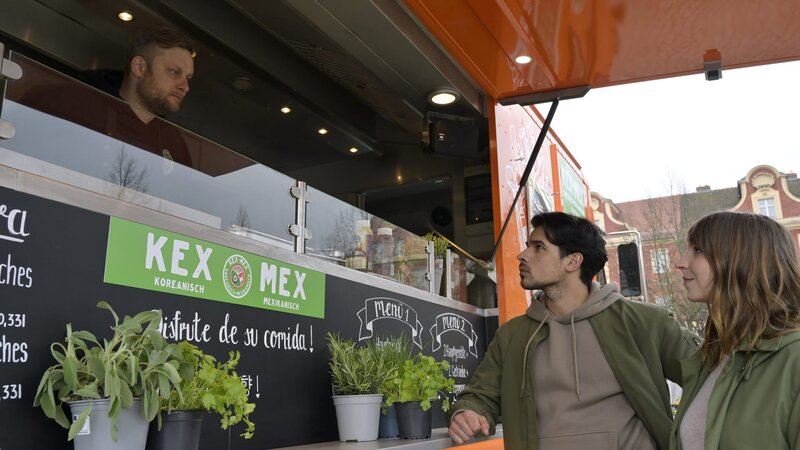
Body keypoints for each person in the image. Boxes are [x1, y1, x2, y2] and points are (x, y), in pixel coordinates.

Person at [447, 211, 700, 450]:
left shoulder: (644, 322)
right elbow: (480, 395)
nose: (522, 255)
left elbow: (712, 375)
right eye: (527, 246)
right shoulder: (511, 336)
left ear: (573, 261)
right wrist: (469, 412)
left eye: (538, 247)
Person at [671, 212, 800, 450]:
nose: (680, 262)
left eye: (697, 250)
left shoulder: (793, 359)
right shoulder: (715, 355)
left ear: (741, 261)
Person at [15, 26, 195, 167]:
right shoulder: (70, 103)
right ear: (139, 67)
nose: (185, 87)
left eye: (188, 78)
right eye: (174, 72)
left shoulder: (174, 143)